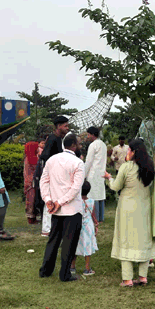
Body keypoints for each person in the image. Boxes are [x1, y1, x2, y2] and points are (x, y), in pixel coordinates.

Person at [104, 139, 155, 287]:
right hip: (144, 209)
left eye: (129, 150)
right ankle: (143, 277)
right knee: (143, 241)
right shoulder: (150, 167)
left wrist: (108, 178)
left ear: (134, 151)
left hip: (127, 210)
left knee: (126, 240)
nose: (127, 152)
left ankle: (127, 279)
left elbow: (116, 187)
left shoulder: (127, 167)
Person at [39, 133, 85, 282]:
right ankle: (64, 274)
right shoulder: (78, 163)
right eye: (78, 144)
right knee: (69, 243)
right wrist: (58, 201)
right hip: (71, 209)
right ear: (73, 145)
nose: (80, 146)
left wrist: (48, 200)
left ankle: (45, 270)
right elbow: (75, 188)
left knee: (53, 240)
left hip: (56, 208)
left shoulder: (52, 160)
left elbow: (43, 181)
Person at [37, 116, 70, 236]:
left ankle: (53, 227)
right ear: (59, 126)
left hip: (57, 174)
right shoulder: (52, 139)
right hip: (51, 175)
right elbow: (45, 157)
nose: (67, 128)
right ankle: (46, 229)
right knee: (49, 200)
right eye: (65, 126)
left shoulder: (59, 139)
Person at [70, 181, 98, 276]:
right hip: (88, 226)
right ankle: (87, 269)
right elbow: (93, 215)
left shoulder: (76, 202)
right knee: (88, 247)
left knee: (75, 246)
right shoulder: (91, 201)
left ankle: (72, 267)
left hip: (78, 225)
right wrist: (96, 225)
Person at [84, 126, 108, 223]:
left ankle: (95, 217)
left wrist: (84, 175)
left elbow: (88, 161)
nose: (88, 136)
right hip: (101, 172)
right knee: (100, 195)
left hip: (93, 173)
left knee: (93, 195)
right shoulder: (103, 144)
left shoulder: (93, 145)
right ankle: (101, 217)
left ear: (93, 135)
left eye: (88, 134)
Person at [24, 137, 43, 224]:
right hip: (31, 183)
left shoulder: (28, 157)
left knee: (32, 200)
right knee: (31, 201)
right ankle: (31, 218)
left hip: (30, 182)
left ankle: (33, 217)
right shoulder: (32, 159)